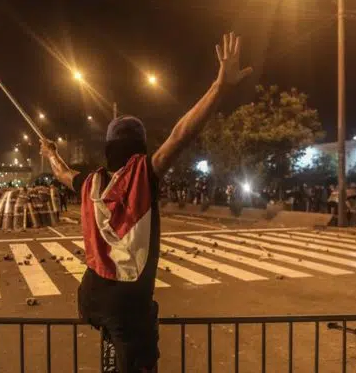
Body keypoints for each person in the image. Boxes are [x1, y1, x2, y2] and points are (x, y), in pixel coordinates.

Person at [39, 32, 251, 372]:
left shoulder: (91, 182)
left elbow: (63, 173)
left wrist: (50, 153)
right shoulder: (143, 176)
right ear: (139, 147)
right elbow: (182, 134)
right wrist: (220, 86)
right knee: (141, 355)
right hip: (129, 305)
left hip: (90, 299)